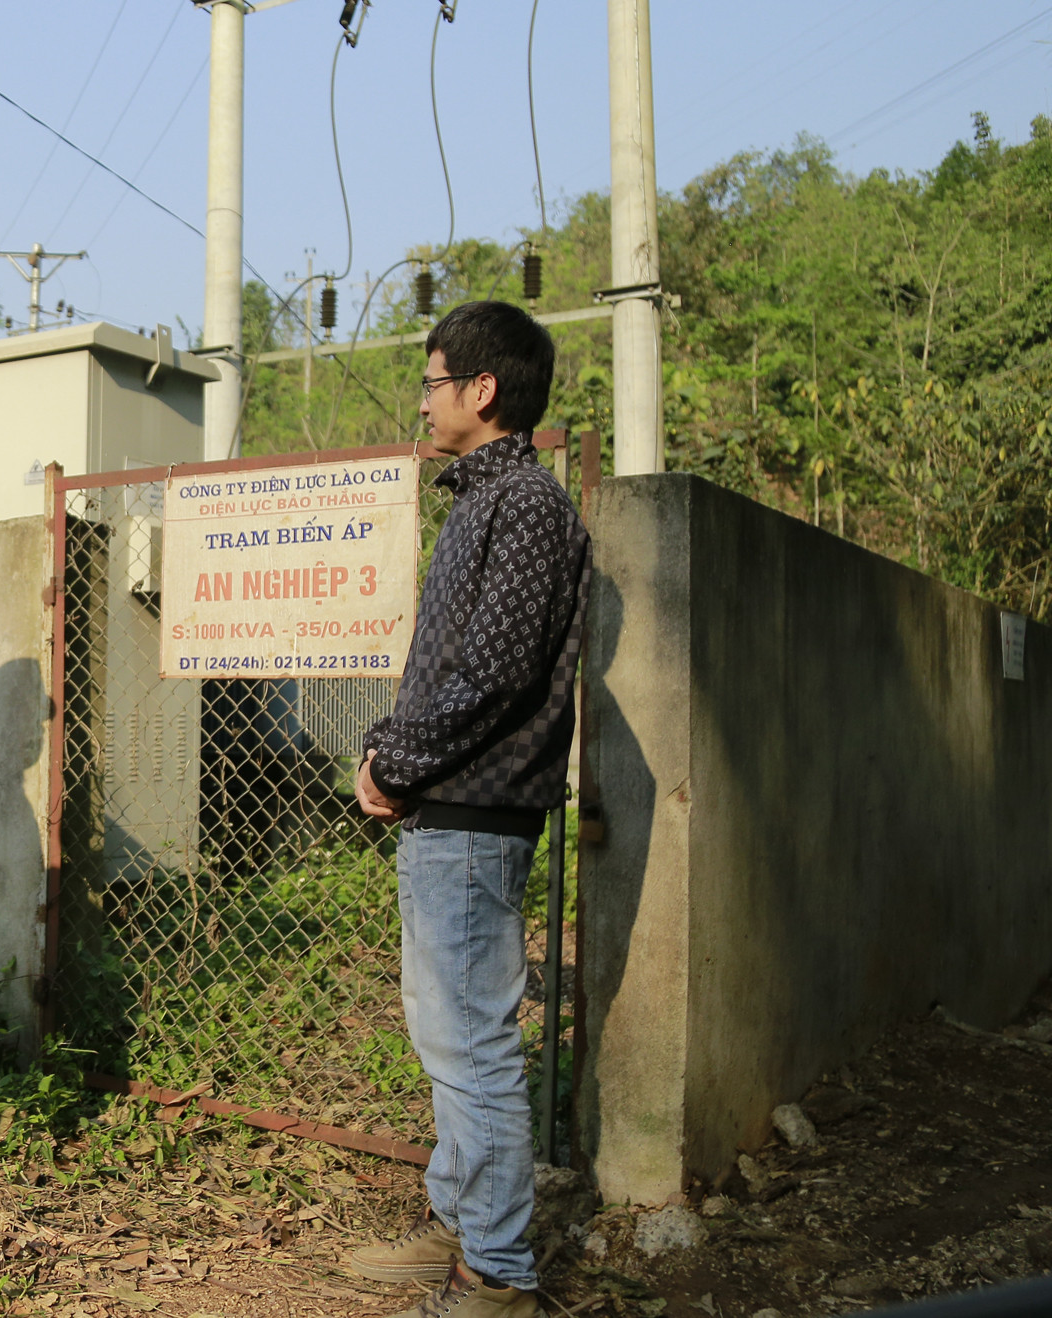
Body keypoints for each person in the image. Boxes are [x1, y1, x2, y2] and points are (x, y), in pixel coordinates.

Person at [348, 301, 589, 1318]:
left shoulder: (523, 507)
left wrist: (392, 764)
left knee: (472, 1042)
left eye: (432, 379)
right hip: (450, 805)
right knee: (446, 1032)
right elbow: (451, 668)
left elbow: (486, 677)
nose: (423, 397)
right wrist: (389, 746)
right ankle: (454, 1222)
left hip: (472, 807)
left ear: (480, 391)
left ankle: (494, 1274)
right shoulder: (487, 502)